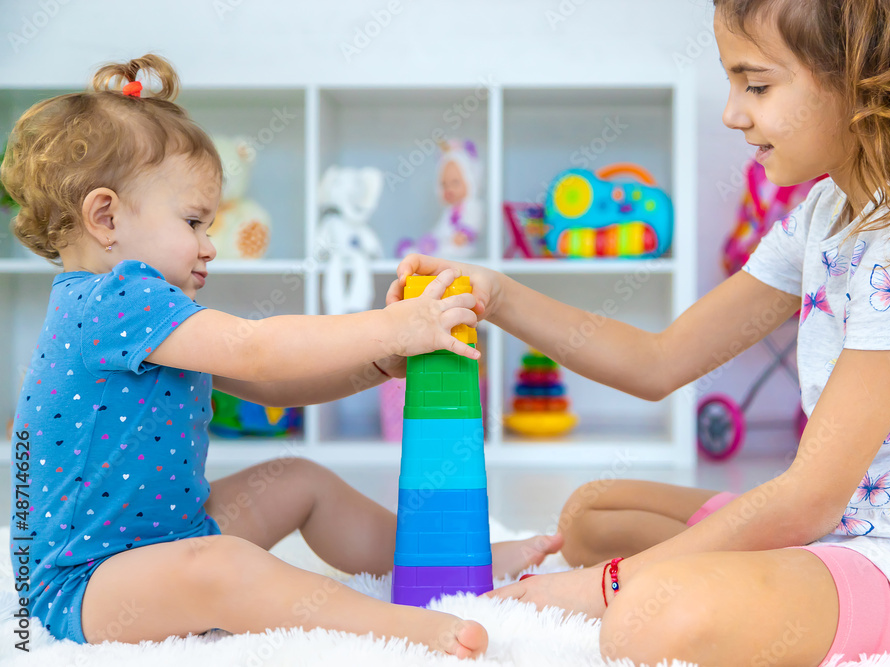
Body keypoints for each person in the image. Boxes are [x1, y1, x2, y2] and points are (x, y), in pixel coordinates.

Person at [390, 0, 890, 664]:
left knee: (648, 618)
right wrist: (498, 293)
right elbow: (658, 360)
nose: (733, 112)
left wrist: (598, 587)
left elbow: (809, 495)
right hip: (841, 523)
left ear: (866, 81)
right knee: (591, 515)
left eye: (757, 84)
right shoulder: (829, 211)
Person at [3, 54, 561, 655]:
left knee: (298, 480)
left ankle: (445, 561)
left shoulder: (146, 314)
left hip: (171, 533)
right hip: (88, 582)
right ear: (105, 217)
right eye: (193, 221)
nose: (210, 245)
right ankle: (401, 631)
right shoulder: (112, 302)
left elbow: (273, 387)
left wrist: (377, 363)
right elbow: (261, 351)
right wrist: (388, 327)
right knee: (220, 567)